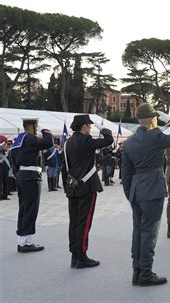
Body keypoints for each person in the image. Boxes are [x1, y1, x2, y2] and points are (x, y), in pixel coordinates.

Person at [121, 103, 170, 287]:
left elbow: (125, 174)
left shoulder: (130, 142)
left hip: (136, 190)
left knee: (138, 231)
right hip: (153, 189)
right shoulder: (156, 136)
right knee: (149, 232)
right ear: (152, 119)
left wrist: (130, 193)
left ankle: (137, 271)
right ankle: (146, 273)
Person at [62, 115, 113, 269]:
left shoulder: (68, 143)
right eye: (89, 126)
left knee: (74, 222)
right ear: (84, 127)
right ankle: (82, 256)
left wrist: (67, 187)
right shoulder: (86, 140)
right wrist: (103, 129)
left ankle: (74, 255)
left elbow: (64, 167)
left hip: (73, 187)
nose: (90, 129)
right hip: (87, 186)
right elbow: (109, 140)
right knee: (84, 223)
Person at [10, 118, 53, 252]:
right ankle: (26, 243)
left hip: (22, 177)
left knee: (23, 209)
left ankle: (21, 240)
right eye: (36, 126)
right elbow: (47, 143)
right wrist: (47, 133)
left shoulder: (18, 140)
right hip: (30, 178)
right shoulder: (28, 138)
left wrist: (19, 175)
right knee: (31, 209)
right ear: (31, 127)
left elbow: (13, 161)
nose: (37, 129)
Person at [0, 136, 10, 200]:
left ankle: (5, 195)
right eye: (4, 143)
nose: (6, 145)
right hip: (0, 167)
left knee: (6, 181)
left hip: (5, 167)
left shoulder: (5, 151)